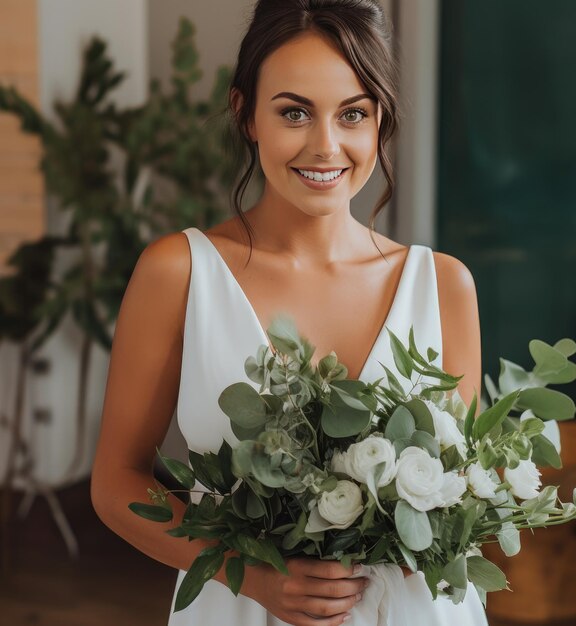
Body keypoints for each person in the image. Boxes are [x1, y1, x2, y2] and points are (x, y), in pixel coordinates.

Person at [91, 1, 487, 625]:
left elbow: (462, 490)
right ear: (245, 112)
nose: (325, 146)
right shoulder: (180, 272)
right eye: (295, 112)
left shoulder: (444, 286)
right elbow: (116, 482)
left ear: (380, 120)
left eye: (352, 114)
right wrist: (244, 571)